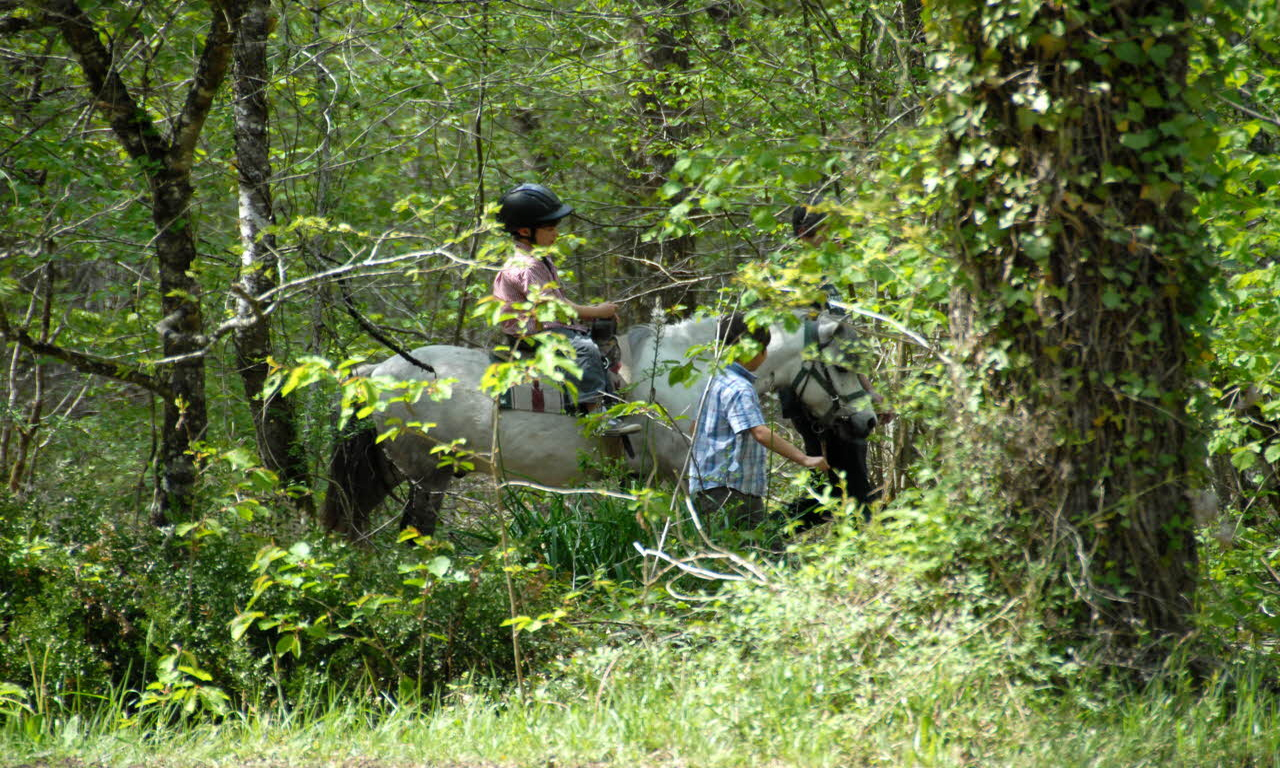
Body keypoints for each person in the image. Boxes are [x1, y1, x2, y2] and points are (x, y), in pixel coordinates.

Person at [491, 182, 639, 437]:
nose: (556, 234)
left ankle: (612, 399)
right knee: (583, 349)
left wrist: (596, 312)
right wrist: (597, 311)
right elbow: (556, 309)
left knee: (600, 334)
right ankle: (596, 414)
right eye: (549, 229)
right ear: (525, 231)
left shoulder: (540, 259)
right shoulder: (527, 266)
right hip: (530, 332)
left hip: (545, 325)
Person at [687, 312, 830, 529]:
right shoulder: (740, 388)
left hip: (706, 485)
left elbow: (694, 427)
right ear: (753, 349)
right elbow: (760, 432)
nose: (765, 355)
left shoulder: (713, 380)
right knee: (761, 546)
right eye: (764, 349)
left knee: (726, 546)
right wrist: (805, 459)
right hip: (732, 490)